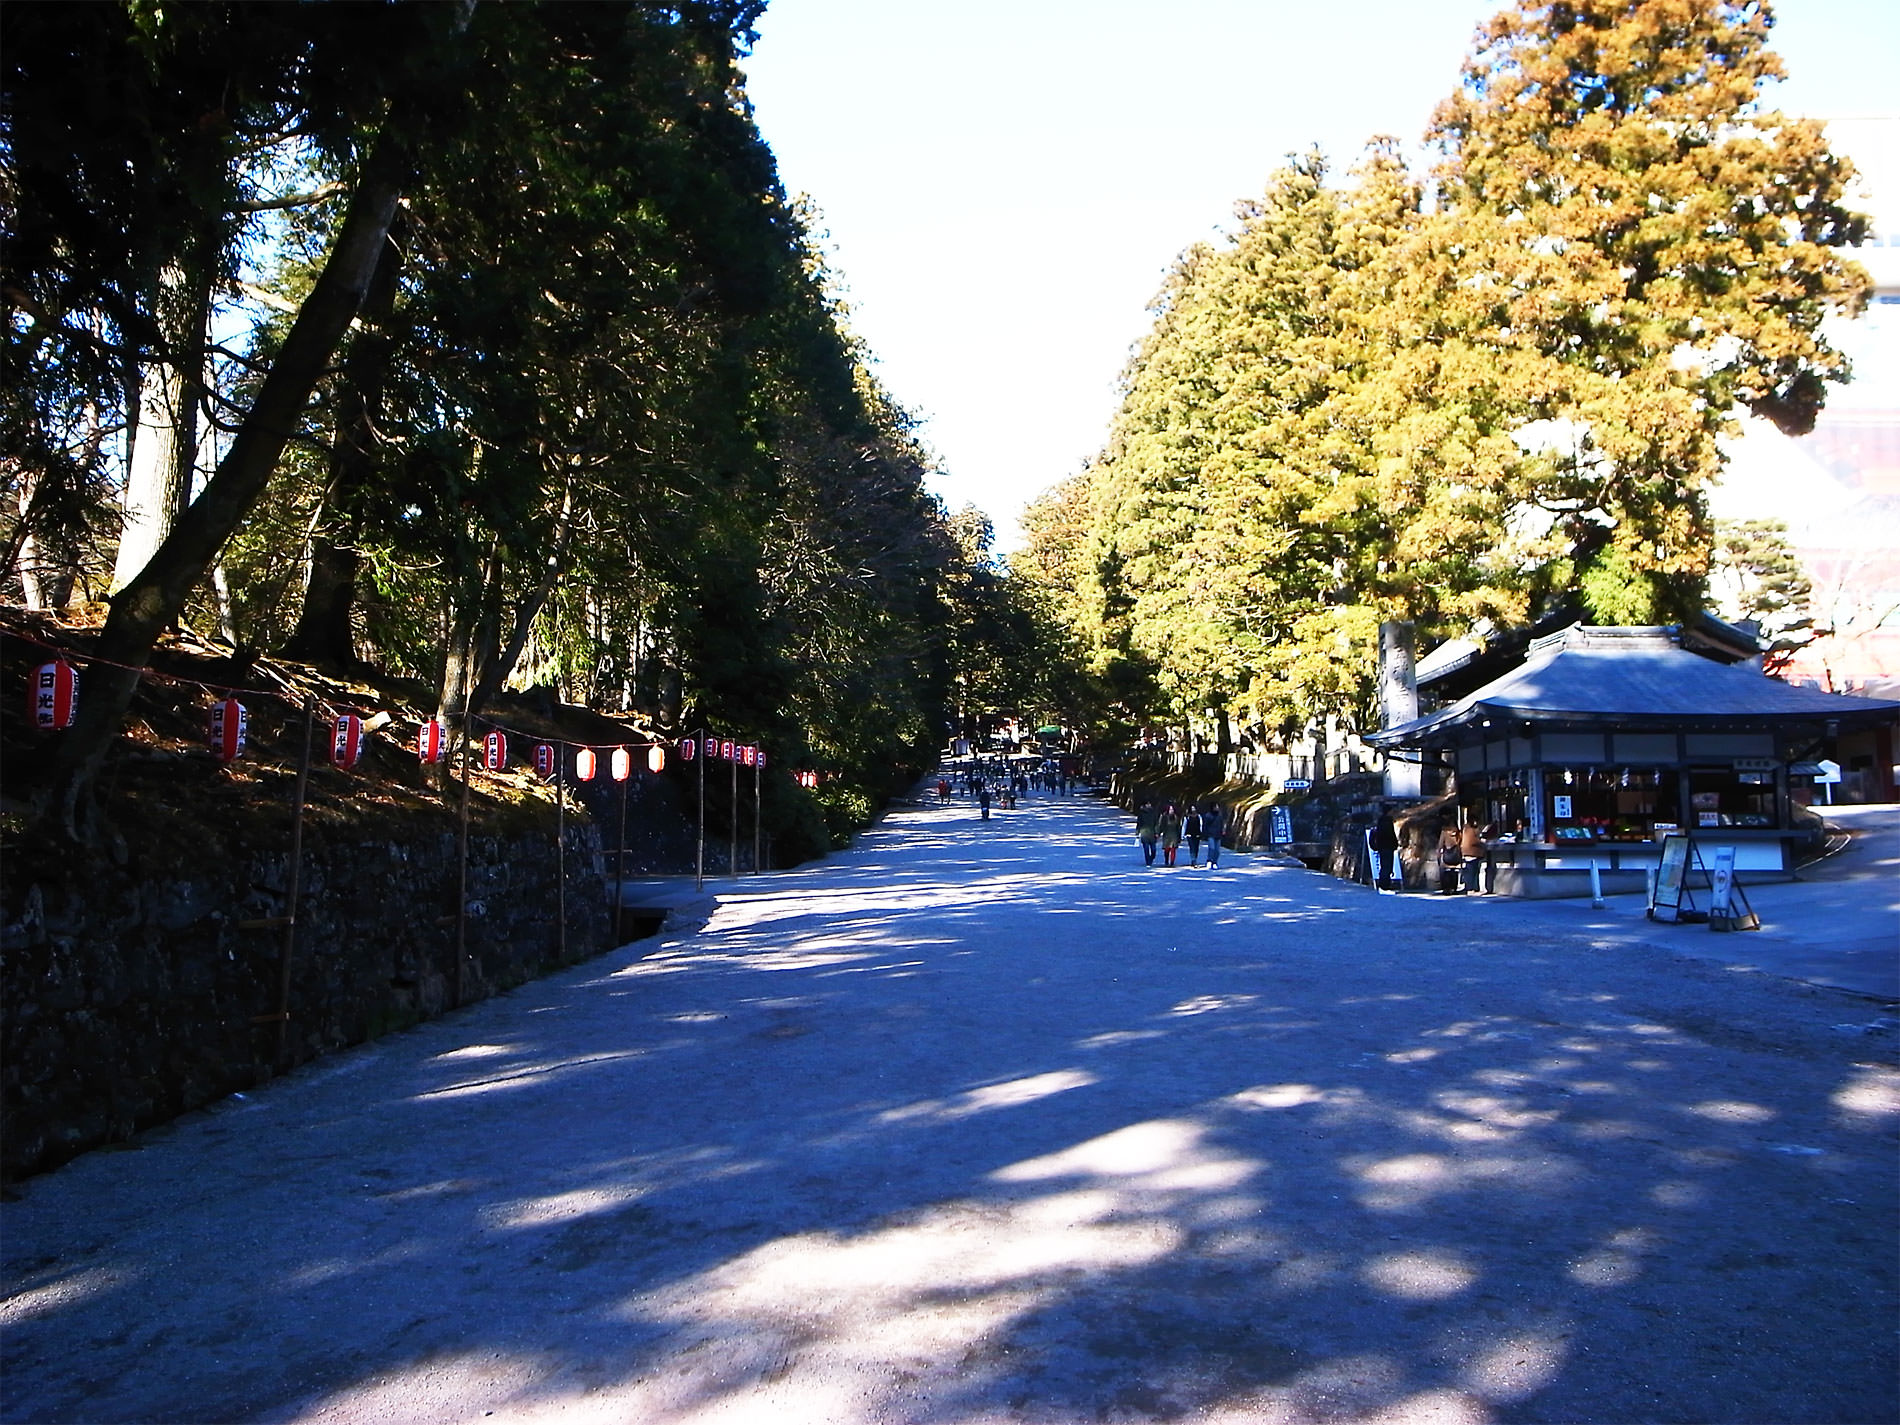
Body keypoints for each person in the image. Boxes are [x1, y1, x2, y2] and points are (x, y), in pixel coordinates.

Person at [1370, 811, 1400, 891]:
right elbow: (1391, 835)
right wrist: (1395, 844)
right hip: (1388, 847)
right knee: (1387, 866)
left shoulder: (1380, 822)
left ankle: (1383, 883)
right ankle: (1385, 885)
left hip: (1382, 847)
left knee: (1384, 866)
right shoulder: (1388, 822)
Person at [1459, 818, 1484, 894]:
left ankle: (1471, 887)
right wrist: (1481, 842)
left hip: (1466, 852)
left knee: (1470, 871)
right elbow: (1473, 841)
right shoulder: (1470, 830)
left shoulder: (1465, 829)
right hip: (1472, 852)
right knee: (1472, 871)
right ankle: (1471, 888)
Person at [1437, 823, 1463, 893]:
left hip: (1447, 854)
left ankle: (1447, 888)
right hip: (1456, 855)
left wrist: (1439, 855)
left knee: (1446, 872)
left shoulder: (1444, 833)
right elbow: (1461, 843)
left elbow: (1440, 844)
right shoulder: (1458, 833)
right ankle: (1454, 888)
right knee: (1455, 872)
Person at [1136, 799, 1160, 865]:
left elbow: (1156, 823)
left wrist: (1157, 832)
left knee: (1153, 849)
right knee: (1146, 848)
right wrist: (1137, 833)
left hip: (1152, 833)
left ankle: (1152, 857)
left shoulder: (1154, 813)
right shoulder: (1141, 814)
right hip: (1144, 833)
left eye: (1149, 804)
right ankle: (1148, 861)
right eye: (1147, 804)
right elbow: (1139, 823)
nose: (1148, 805)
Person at [1159, 803, 1183, 867]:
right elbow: (1161, 826)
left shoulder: (1176, 818)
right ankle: (1166, 860)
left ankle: (1172, 862)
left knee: (1173, 849)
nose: (1171, 811)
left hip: (1174, 835)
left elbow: (1179, 827)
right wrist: (1158, 833)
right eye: (1170, 809)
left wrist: (1179, 837)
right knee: (1167, 849)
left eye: (1172, 809)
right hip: (1167, 835)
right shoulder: (1164, 817)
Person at [1203, 801, 1225, 868]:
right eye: (1216, 807)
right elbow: (1205, 825)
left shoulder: (1219, 815)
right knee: (1212, 848)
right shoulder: (1208, 815)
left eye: (1218, 807)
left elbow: (1221, 824)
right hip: (1211, 834)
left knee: (1217, 850)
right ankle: (1209, 860)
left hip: (1218, 834)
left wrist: (1223, 830)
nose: (1217, 808)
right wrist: (1205, 833)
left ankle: (1215, 862)